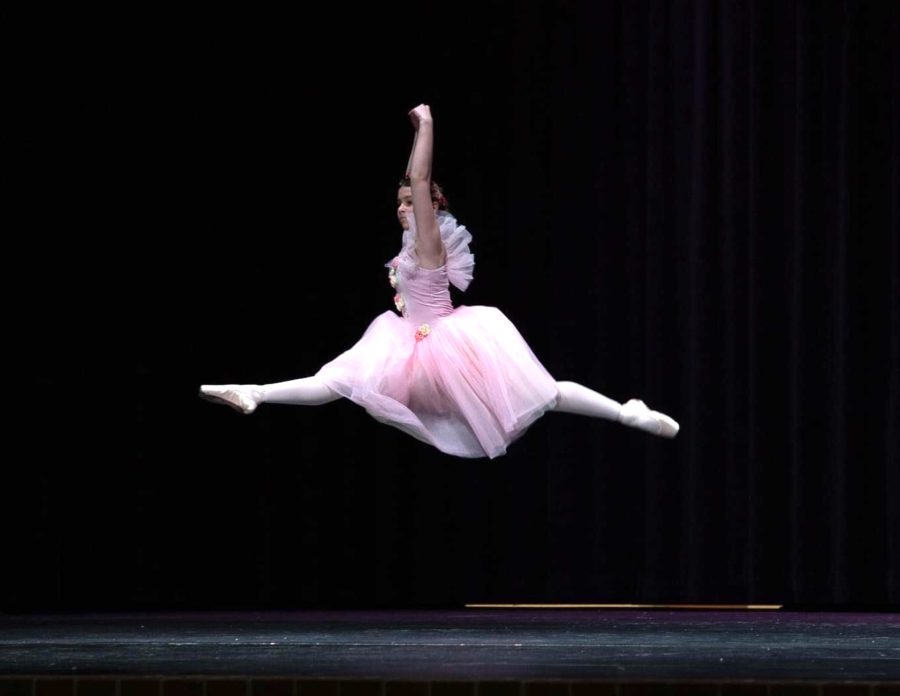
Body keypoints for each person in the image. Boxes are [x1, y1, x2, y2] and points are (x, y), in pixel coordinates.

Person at [200, 104, 679, 459]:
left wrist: (426, 126)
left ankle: (626, 412)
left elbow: (421, 174)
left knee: (546, 394)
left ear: (431, 205)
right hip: (413, 345)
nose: (404, 208)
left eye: (412, 202)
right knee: (335, 380)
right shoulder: (410, 247)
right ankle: (255, 392)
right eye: (400, 202)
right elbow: (415, 181)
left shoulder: (430, 242)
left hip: (443, 345)